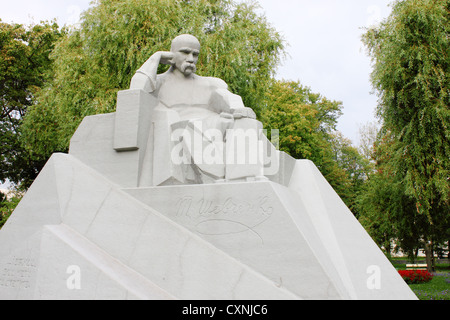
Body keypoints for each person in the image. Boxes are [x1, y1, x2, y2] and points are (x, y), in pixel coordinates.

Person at [129, 34, 259, 184]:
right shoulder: (159, 82)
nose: (191, 58)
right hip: (185, 128)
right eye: (185, 52)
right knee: (195, 126)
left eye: (195, 54)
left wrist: (238, 109)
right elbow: (135, 93)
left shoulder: (210, 83)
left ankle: (243, 179)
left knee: (246, 123)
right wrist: (156, 58)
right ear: (171, 54)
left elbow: (230, 98)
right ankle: (218, 177)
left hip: (215, 126)